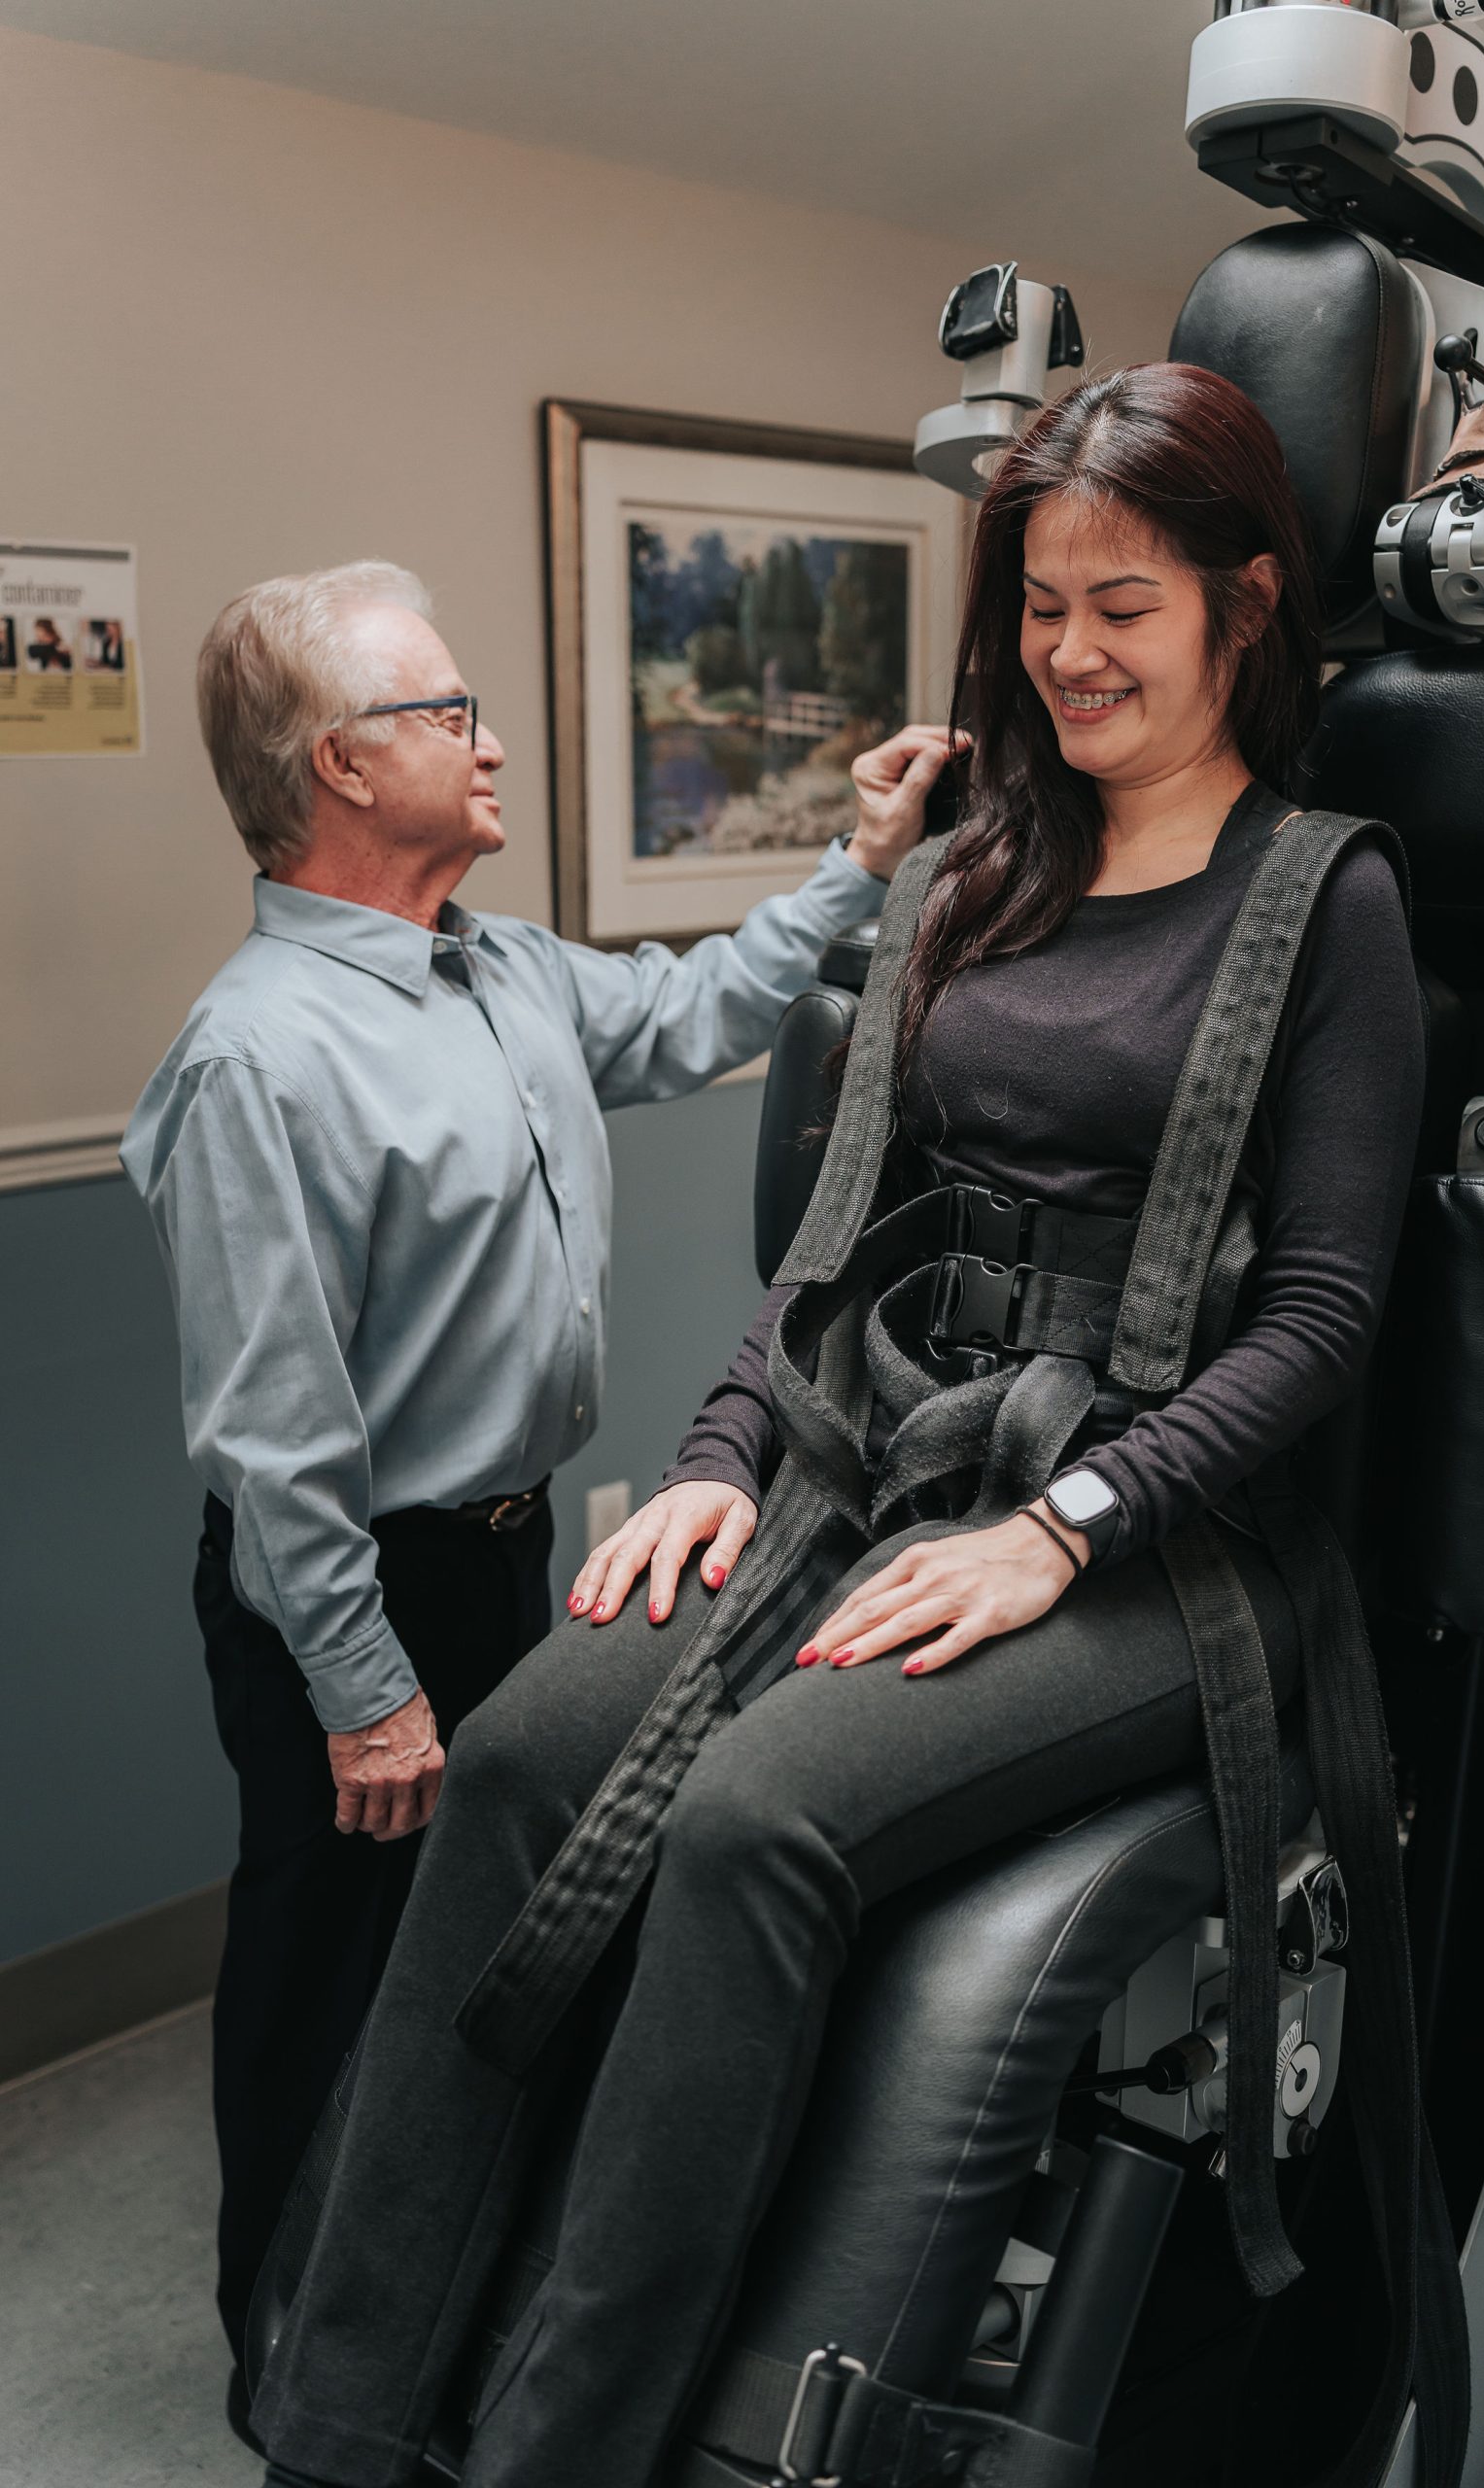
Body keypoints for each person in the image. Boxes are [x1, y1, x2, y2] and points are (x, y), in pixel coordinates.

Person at [254, 371, 1445, 2488]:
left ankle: (572, 2444)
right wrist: (718, 1460)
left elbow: (1327, 1318)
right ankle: (341, 2416)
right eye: (1041, 604)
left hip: (1158, 1524)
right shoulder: (974, 874)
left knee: (752, 1814)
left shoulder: (1321, 898)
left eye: (1124, 606)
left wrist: (1061, 1522)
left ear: (1242, 605)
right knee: (525, 1749)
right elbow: (835, 1243)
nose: (1067, 650)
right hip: (864, 1451)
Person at [120, 559, 950, 2421]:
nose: (491, 745)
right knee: (329, 1982)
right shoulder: (255, 1055)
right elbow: (277, 1440)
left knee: (478, 1962)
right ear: (343, 763)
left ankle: (418, 2318)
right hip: (351, 1596)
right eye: (451, 713)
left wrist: (865, 856)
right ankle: (290, 2358)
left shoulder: (493, 968)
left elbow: (698, 1008)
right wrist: (366, 1693)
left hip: (500, 1562)